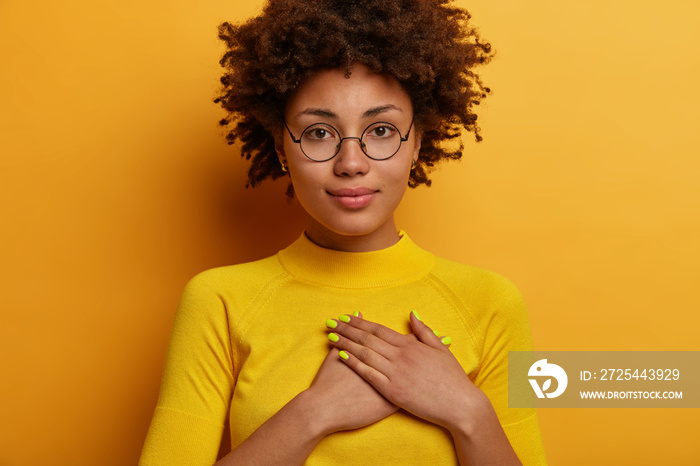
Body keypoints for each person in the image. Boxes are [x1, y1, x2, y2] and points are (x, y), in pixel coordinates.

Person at [140, 0, 547, 464]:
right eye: (318, 133)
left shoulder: (490, 302)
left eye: (380, 130)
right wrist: (314, 412)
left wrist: (467, 410)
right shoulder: (218, 300)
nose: (351, 163)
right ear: (281, 148)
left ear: (416, 141)